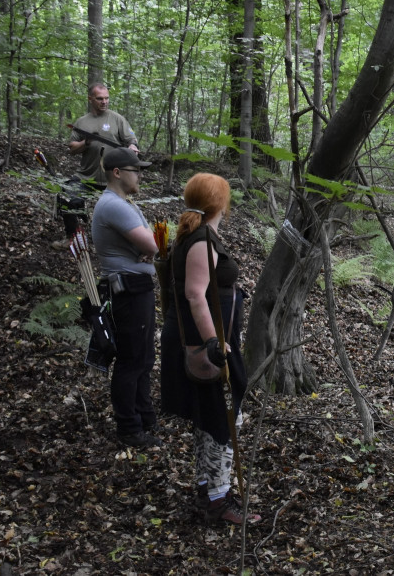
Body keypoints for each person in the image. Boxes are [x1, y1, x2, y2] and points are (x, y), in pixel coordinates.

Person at [159, 173, 259, 525]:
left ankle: (208, 488)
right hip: (207, 348)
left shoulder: (196, 235)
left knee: (210, 418)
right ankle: (217, 500)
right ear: (219, 203)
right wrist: (215, 343)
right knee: (222, 418)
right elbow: (195, 296)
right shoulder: (201, 240)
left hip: (206, 343)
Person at [90, 147, 160, 448]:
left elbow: (157, 241)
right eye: (136, 170)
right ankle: (129, 428)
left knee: (144, 358)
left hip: (136, 287)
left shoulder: (123, 203)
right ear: (117, 172)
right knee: (132, 360)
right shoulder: (113, 205)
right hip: (127, 290)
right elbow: (156, 243)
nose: (140, 175)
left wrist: (153, 243)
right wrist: (152, 245)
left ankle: (145, 419)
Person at [53, 84, 140, 250]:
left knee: (126, 209)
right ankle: (72, 238)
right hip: (87, 176)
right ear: (90, 99)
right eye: (100, 98)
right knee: (66, 197)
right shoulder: (82, 122)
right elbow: (72, 148)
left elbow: (131, 140)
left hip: (113, 179)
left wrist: (132, 147)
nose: (104, 102)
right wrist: (86, 142)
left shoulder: (117, 119)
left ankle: (128, 242)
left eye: (106, 98)